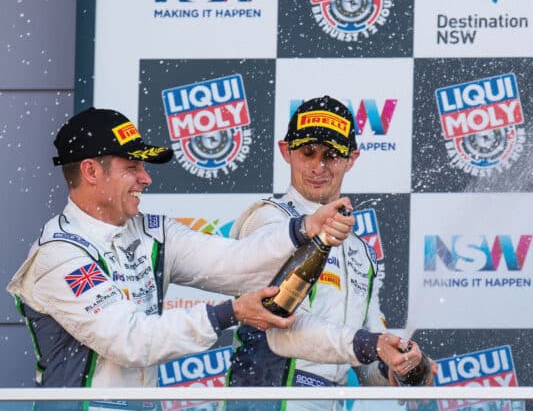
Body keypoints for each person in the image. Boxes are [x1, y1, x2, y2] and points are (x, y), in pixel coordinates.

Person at [5, 107, 354, 389]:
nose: (146, 178)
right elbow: (130, 340)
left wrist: (304, 227)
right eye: (132, 167)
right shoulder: (58, 255)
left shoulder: (153, 232)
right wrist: (228, 314)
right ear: (91, 171)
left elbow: (236, 263)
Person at [227, 95, 435, 409]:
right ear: (286, 152)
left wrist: (398, 365)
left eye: (332, 155)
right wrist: (373, 345)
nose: (318, 166)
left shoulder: (360, 251)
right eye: (308, 152)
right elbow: (285, 329)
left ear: (352, 158)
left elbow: (365, 368)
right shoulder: (268, 219)